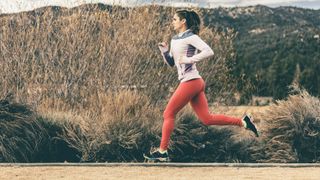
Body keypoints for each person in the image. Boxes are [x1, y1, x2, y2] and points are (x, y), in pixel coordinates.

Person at [143, 9, 259, 162]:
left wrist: (190, 60)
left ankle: (162, 151)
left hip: (191, 81)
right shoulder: (175, 39)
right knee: (207, 119)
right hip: (193, 82)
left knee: (168, 114)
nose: (172, 21)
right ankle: (243, 122)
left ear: (183, 21)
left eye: (175, 19)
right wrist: (164, 52)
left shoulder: (191, 37)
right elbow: (172, 63)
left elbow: (208, 51)